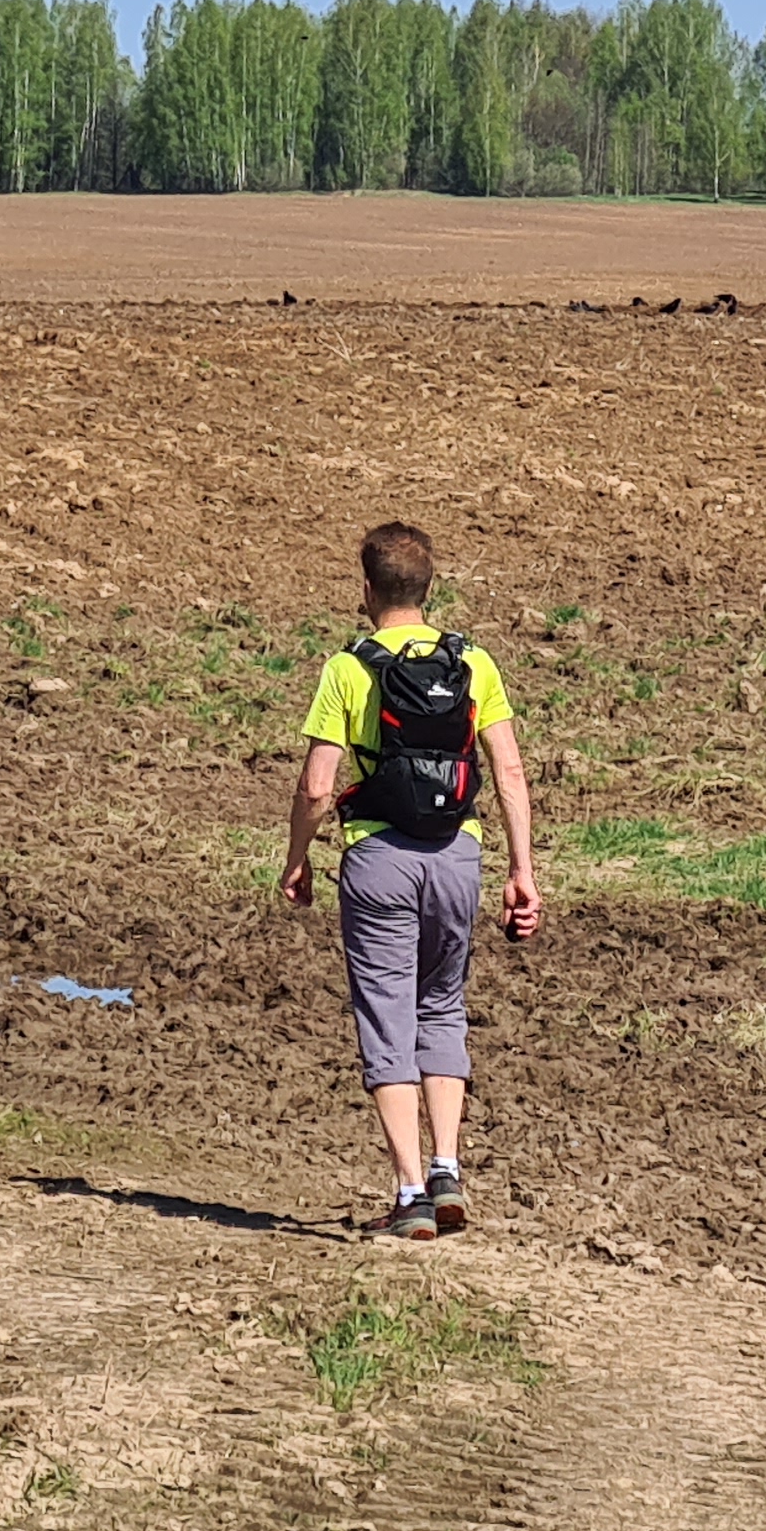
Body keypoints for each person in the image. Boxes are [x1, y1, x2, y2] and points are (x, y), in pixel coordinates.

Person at [279, 519, 540, 1239]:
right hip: (458, 855)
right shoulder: (473, 662)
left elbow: (317, 785)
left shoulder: (349, 667)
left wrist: (297, 858)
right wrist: (522, 871)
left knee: (387, 1016)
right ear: (430, 588)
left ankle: (410, 1192)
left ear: (367, 589)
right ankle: (449, 1168)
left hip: (379, 860)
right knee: (442, 1007)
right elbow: (510, 771)